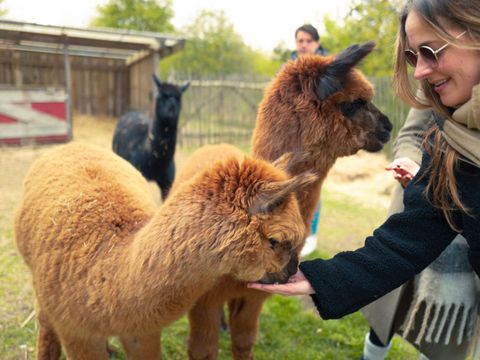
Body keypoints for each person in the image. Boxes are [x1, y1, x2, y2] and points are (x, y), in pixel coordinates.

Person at [248, 0, 480, 356]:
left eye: (431, 51)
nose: (420, 72)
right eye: (413, 57)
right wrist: (324, 278)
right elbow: (415, 232)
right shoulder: (453, 142)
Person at [361, 106, 479, 360]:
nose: (419, 71)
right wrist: (417, 170)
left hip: (470, 231)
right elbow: (412, 134)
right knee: (389, 305)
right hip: (417, 209)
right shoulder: (436, 76)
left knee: (445, 332)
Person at [290, 24, 327, 257]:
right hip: (293, 137)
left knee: (313, 184)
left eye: (308, 41)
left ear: (317, 44)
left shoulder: (328, 72)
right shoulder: (289, 69)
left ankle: (310, 234)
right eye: (300, 40)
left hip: (318, 139)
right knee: (291, 184)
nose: (303, 44)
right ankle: (292, 232)